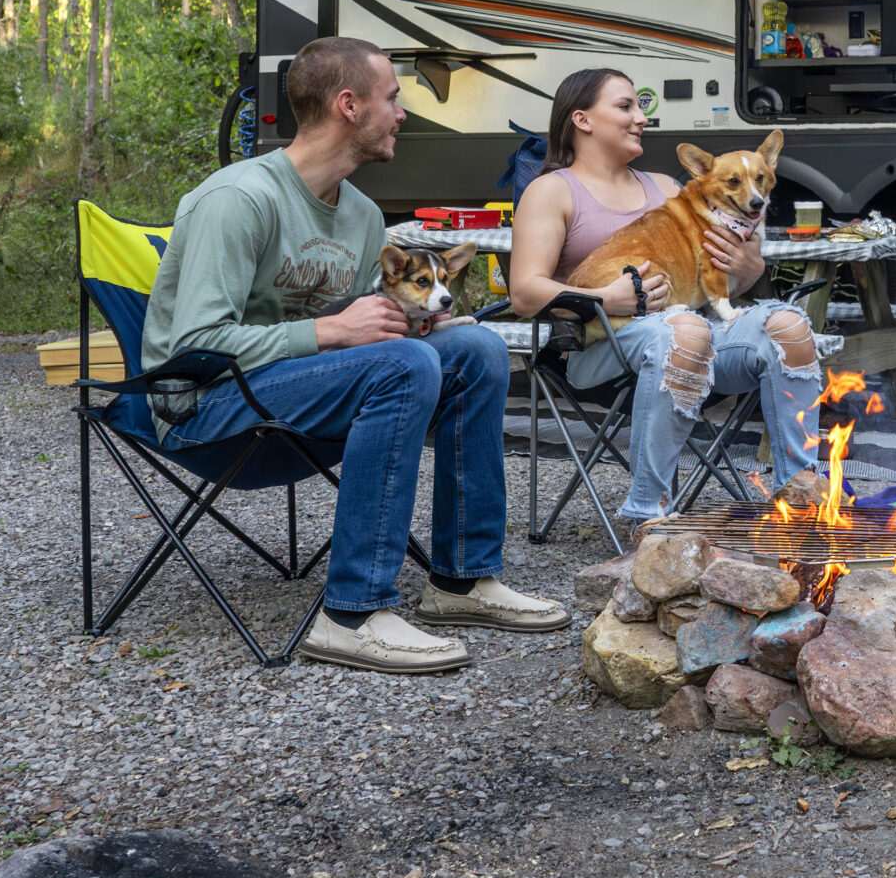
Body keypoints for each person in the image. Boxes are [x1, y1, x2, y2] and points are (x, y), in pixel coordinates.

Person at [142, 37, 568, 674]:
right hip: (207, 409)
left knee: (475, 347)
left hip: (295, 392)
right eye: (392, 98)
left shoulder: (365, 216)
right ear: (348, 105)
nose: (402, 113)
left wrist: (400, 326)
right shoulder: (239, 200)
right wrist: (334, 334)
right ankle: (353, 614)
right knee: (405, 366)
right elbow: (195, 346)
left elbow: (349, 333)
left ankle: (461, 583)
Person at [508, 68, 825, 526]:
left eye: (640, 107)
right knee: (685, 329)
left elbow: (720, 281)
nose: (641, 117)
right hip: (600, 349)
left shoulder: (668, 187)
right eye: (626, 107)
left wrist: (750, 267)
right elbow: (523, 293)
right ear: (582, 119)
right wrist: (605, 297)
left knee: (787, 327)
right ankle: (649, 515)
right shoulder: (552, 190)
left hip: (695, 341)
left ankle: (799, 504)